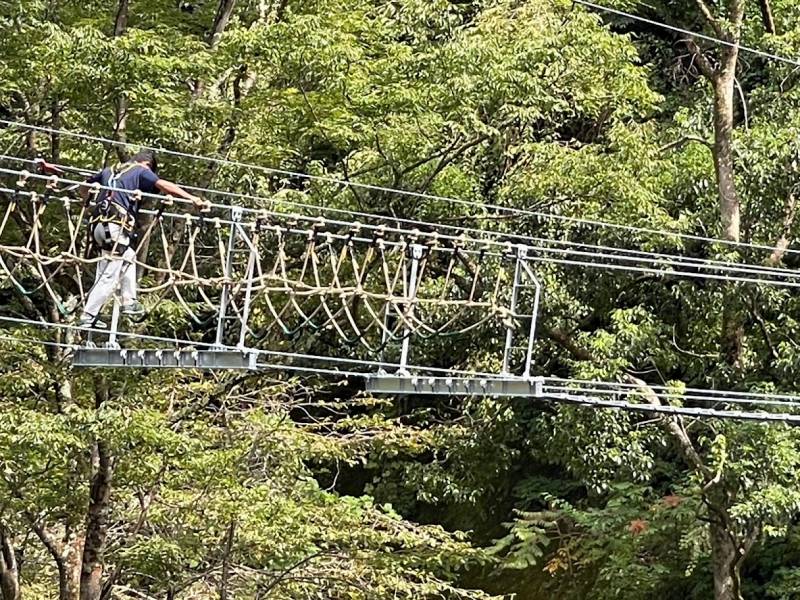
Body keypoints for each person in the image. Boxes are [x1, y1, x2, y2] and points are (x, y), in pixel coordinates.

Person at [78, 150, 205, 328]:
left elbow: (82, 187)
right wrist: (192, 198)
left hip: (99, 227)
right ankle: (88, 314)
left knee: (128, 256)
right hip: (115, 227)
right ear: (147, 164)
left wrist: (91, 203)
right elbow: (164, 185)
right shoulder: (140, 170)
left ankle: (128, 301)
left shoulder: (109, 170)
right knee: (109, 276)